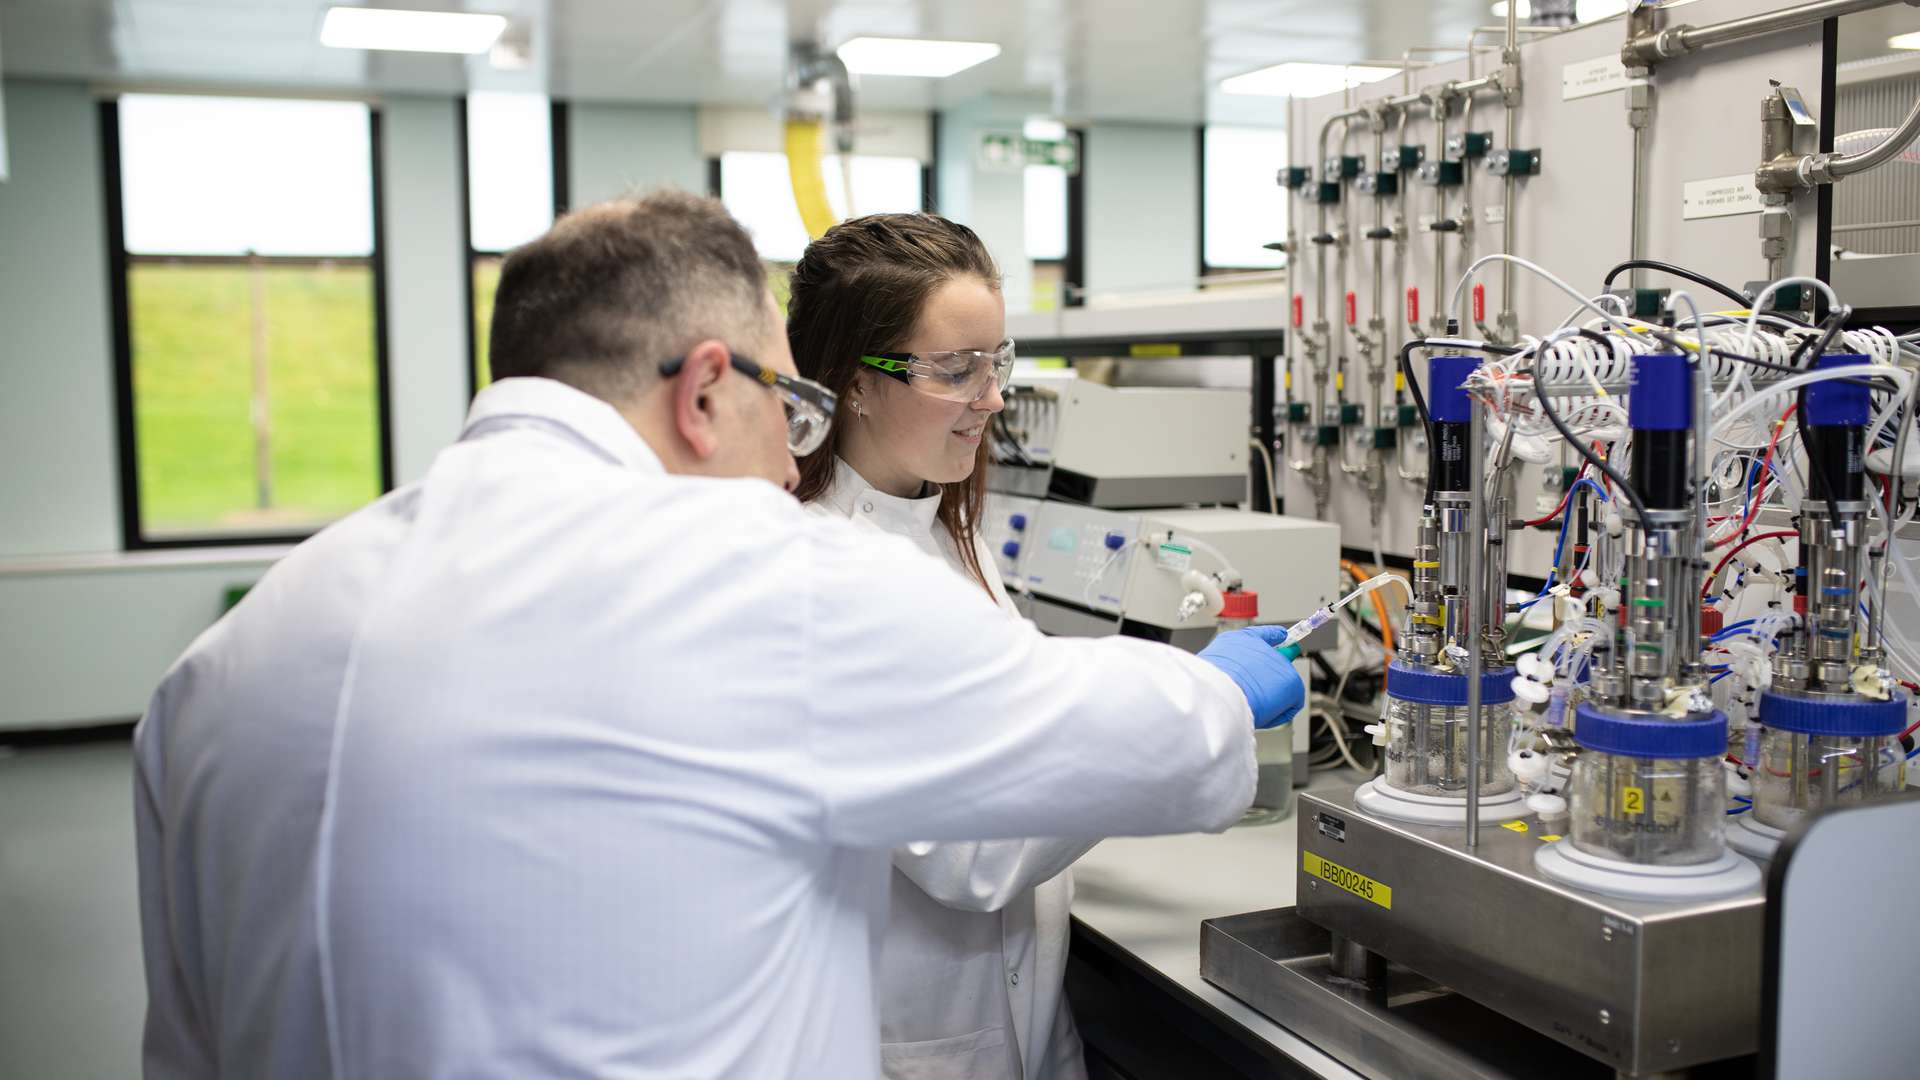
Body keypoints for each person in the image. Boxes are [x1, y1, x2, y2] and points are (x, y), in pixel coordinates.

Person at [132, 191, 1306, 1080]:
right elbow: (1056, 747)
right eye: (783, 401)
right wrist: (1220, 693)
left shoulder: (227, 663)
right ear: (703, 390)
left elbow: (182, 1039)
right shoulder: (755, 579)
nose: (790, 446)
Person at [787, 213, 1087, 1080]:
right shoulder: (821, 572)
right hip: (908, 1045)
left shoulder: (946, 526)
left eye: (998, 361)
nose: (991, 397)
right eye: (956, 371)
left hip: (1023, 1021)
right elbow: (972, 853)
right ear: (853, 381)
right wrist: (1181, 723)